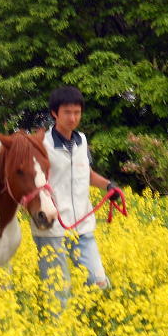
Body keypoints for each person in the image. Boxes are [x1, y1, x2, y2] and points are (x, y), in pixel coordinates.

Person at [32, 85, 120, 307]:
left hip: (83, 225)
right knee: (57, 292)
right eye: (67, 112)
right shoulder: (41, 144)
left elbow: (86, 173)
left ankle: (90, 323)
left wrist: (108, 185)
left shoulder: (82, 140)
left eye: (77, 112)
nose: (73, 118)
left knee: (99, 282)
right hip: (52, 227)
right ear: (54, 113)